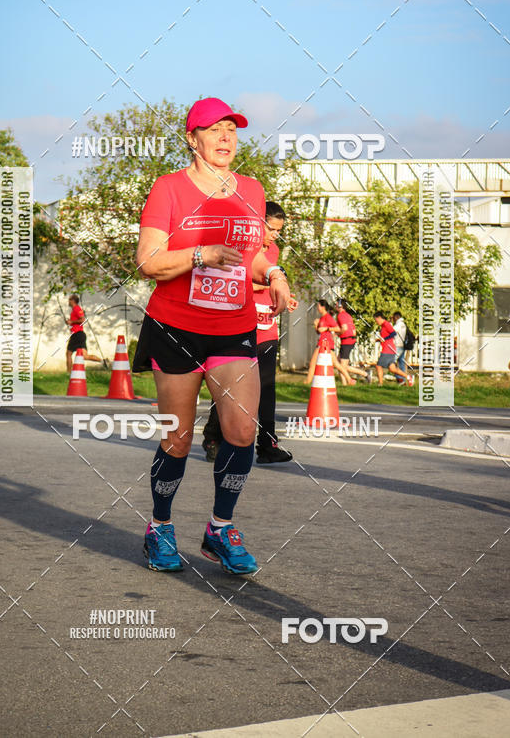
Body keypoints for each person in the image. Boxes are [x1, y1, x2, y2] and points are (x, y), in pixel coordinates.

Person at [133, 97, 290, 574]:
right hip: (176, 327)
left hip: (234, 327)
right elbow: (147, 262)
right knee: (176, 439)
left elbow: (252, 258)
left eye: (232, 130)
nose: (226, 138)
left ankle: (219, 528)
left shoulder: (253, 190)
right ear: (192, 138)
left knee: (242, 430)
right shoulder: (169, 189)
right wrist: (199, 254)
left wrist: (276, 273)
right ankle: (159, 527)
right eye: (214, 129)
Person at [202, 201, 298, 465]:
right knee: (232, 387)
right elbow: (240, 280)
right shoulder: (241, 247)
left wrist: (282, 296)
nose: (274, 235)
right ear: (257, 224)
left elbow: (268, 283)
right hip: (238, 325)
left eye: (279, 230)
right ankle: (214, 437)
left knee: (266, 387)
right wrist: (269, 284)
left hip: (266, 328)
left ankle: (267, 445)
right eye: (271, 228)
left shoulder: (274, 250)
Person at [305, 300, 353, 386]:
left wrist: (327, 329)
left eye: (318, 306)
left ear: (323, 307)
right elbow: (319, 332)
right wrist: (316, 326)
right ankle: (349, 379)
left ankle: (307, 381)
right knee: (335, 364)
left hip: (326, 343)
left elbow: (338, 328)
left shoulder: (328, 317)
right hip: (322, 342)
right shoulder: (321, 318)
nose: (317, 308)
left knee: (313, 362)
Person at [372, 312, 413, 386]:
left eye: (376, 320)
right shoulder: (383, 325)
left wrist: (385, 338)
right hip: (389, 348)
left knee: (378, 366)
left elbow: (393, 333)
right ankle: (408, 377)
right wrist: (380, 339)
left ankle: (380, 384)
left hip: (388, 349)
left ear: (379, 318)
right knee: (392, 369)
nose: (376, 322)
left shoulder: (386, 324)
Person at [335, 298, 370, 383]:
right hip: (350, 340)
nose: (335, 306)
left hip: (346, 341)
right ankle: (345, 383)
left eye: (336, 304)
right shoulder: (348, 316)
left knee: (342, 366)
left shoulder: (340, 315)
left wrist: (337, 334)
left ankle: (364, 375)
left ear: (340, 306)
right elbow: (354, 331)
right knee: (339, 363)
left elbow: (344, 328)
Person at [65, 294, 102, 373]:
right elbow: (77, 321)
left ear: (73, 301)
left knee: (68, 354)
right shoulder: (74, 310)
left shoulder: (76, 309)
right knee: (85, 356)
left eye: (69, 300)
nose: (68, 302)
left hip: (77, 335)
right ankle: (103, 361)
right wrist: (70, 322)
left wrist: (71, 322)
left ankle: (68, 373)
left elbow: (82, 320)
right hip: (79, 334)